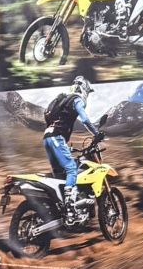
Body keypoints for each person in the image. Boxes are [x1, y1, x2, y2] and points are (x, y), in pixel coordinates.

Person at [43, 76, 101, 212]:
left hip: (47, 137)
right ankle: (69, 203)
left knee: (59, 173)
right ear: (84, 89)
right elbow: (85, 119)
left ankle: (59, 206)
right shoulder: (76, 99)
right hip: (56, 137)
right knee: (71, 169)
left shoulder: (63, 101)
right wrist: (96, 133)